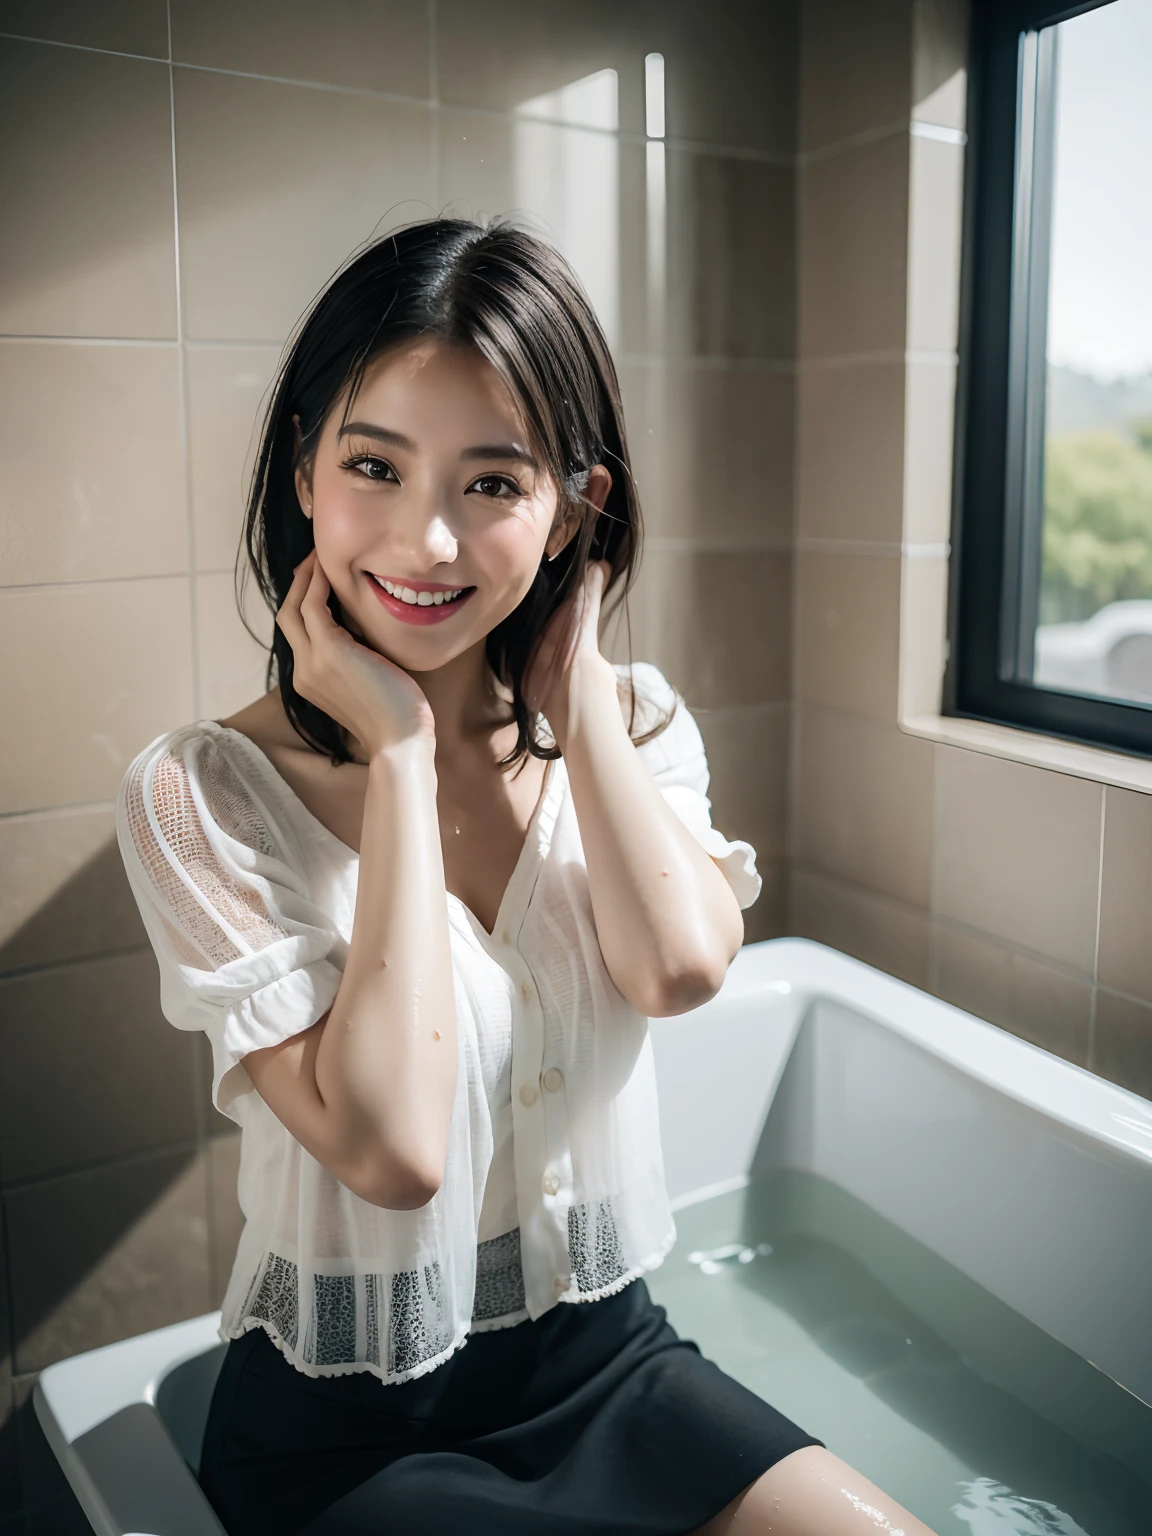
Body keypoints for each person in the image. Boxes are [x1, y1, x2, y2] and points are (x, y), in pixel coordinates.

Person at [117, 219, 935, 1536]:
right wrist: (394, 755)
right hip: (353, 1433)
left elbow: (678, 966)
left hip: (614, 1362)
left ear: (575, 508)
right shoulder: (200, 796)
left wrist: (581, 691)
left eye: (493, 484)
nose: (425, 540)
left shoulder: (639, 726)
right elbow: (391, 1150)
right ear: (303, 470)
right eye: (373, 465)